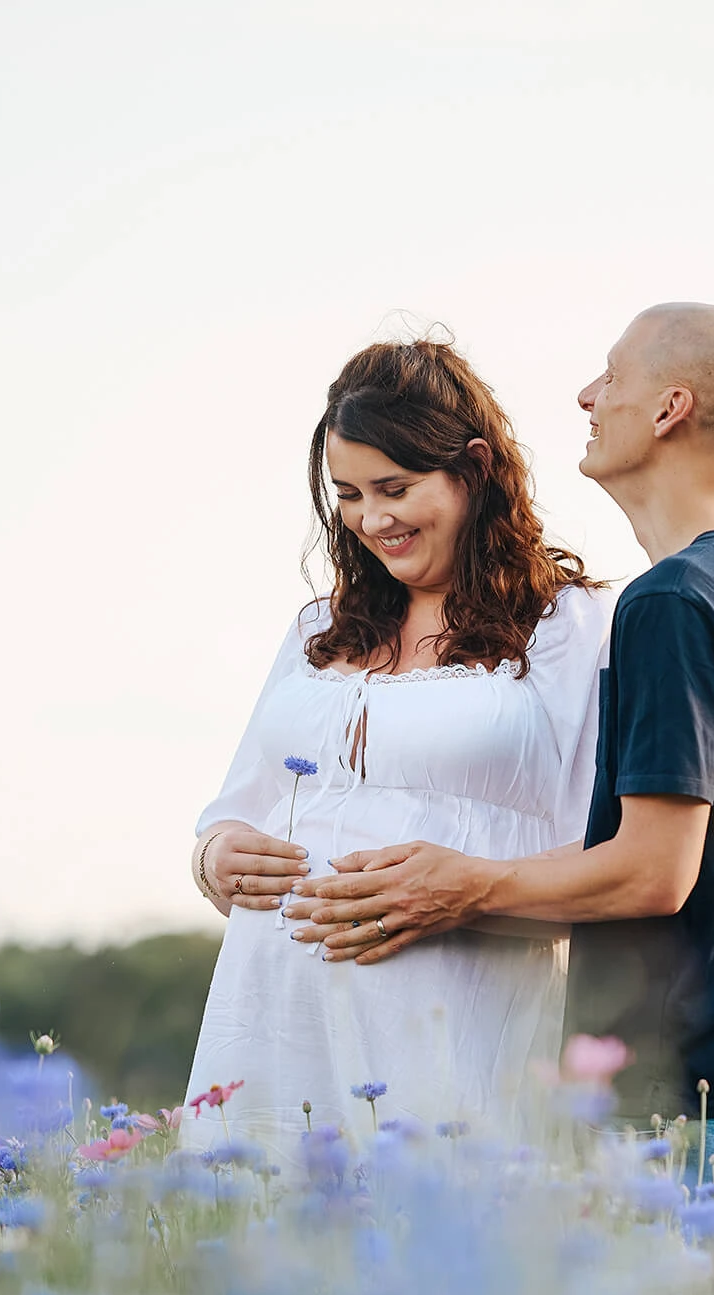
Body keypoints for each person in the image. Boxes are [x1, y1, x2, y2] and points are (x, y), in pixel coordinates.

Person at [285, 303, 714, 1203]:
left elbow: (653, 873)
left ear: (669, 409)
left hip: (697, 1121)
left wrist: (459, 886)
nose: (586, 395)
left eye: (611, 377)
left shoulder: (671, 603)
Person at [182, 337, 611, 1160]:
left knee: (431, 1255)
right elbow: (231, 812)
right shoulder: (317, 629)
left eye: (395, 487)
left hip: (450, 1019)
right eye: (348, 494)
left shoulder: (567, 627)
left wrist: (467, 892)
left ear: (474, 469)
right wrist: (216, 856)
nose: (371, 519)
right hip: (269, 1019)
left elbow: (599, 848)